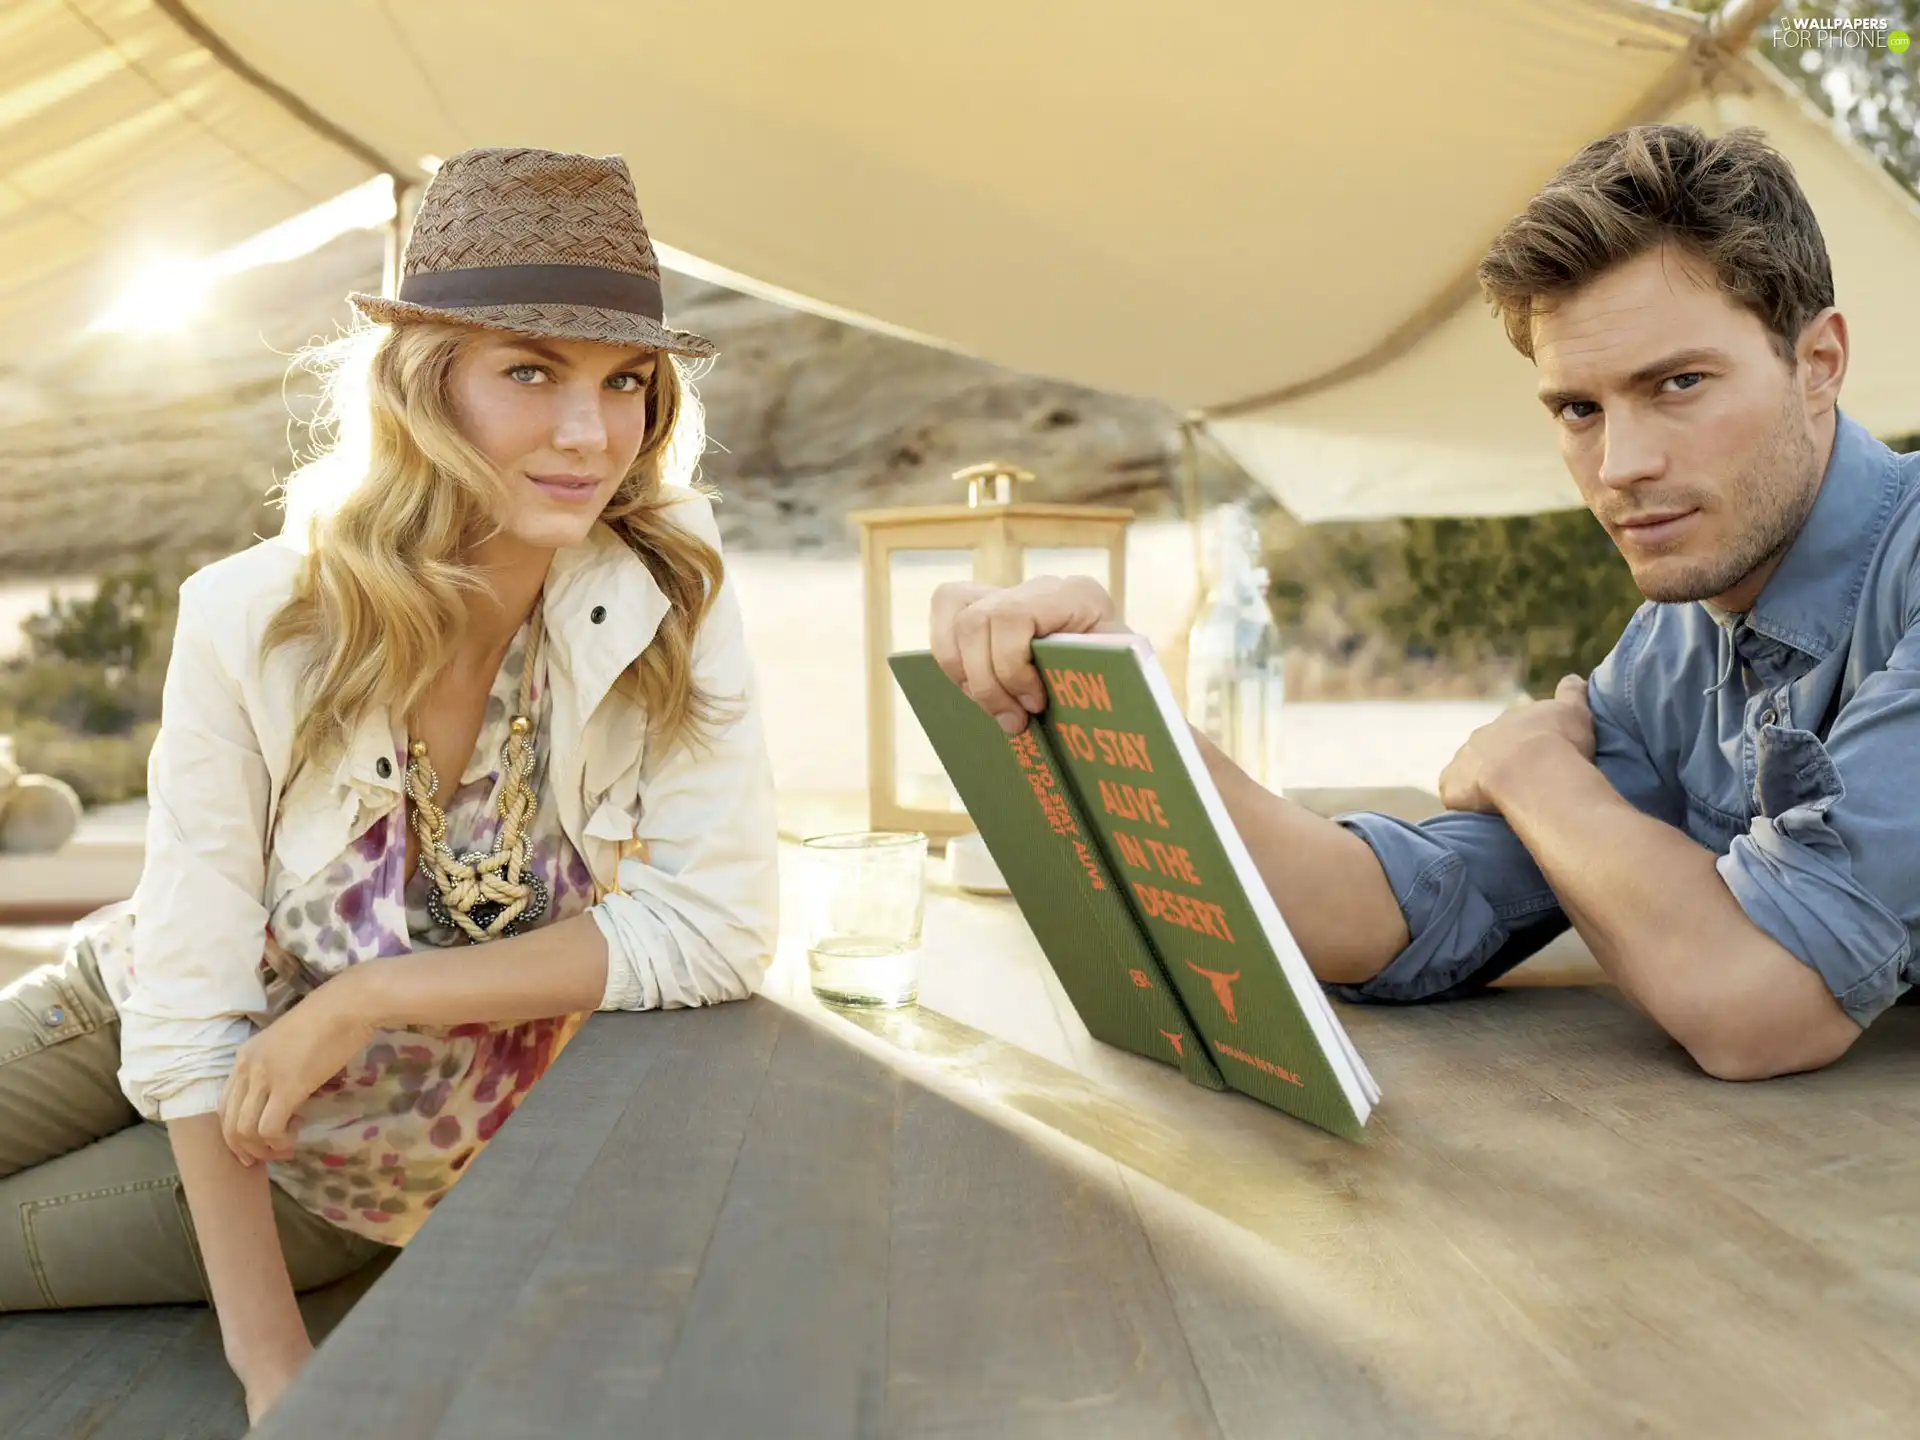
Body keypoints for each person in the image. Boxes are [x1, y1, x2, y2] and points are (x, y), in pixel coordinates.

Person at [0, 147, 778, 1422]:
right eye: (530, 371)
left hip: (341, 1161)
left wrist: (374, 997)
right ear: (428, 387)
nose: (589, 434)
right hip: (124, 997)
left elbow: (718, 927)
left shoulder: (670, 593)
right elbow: (190, 1000)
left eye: (624, 382)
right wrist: (278, 1374)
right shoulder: (258, 616)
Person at [933, 123, 1920, 1087]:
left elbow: (1759, 1006)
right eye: (1580, 410)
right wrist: (1112, 693)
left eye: (1680, 384)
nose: (1621, 467)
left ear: (1819, 364)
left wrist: (1533, 770)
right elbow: (1385, 913)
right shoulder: (1676, 642)